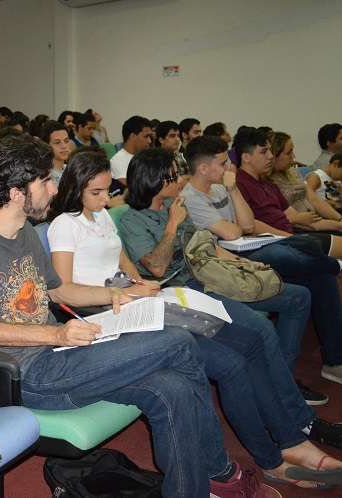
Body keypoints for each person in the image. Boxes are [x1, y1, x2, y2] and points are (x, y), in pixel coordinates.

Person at [0, 133, 277, 498]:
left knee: (174, 388)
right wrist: (55, 335)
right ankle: (222, 473)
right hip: (27, 375)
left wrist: (115, 293)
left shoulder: (23, 231)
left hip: (60, 356)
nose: (54, 191)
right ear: (16, 192)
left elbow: (58, 289)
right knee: (179, 342)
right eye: (44, 182)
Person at [49, 149, 342, 489]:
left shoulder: (99, 217)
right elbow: (63, 290)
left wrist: (138, 283)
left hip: (137, 304)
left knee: (249, 343)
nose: (105, 200)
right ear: (75, 187)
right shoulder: (64, 225)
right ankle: (273, 459)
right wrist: (122, 294)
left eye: (105, 191)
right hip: (109, 317)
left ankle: (291, 439)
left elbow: (123, 264)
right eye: (95, 192)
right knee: (232, 363)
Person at [121, 146, 342, 448]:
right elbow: (157, 268)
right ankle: (301, 419)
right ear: (158, 181)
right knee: (261, 331)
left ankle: (287, 386)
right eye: (174, 177)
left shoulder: (175, 202)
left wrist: (245, 264)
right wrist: (173, 223)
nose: (180, 181)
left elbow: (204, 248)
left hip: (208, 276)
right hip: (183, 292)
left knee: (297, 297)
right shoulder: (135, 219)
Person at [183, 135, 342, 393]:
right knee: (285, 258)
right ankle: (283, 383)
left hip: (245, 251)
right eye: (223, 164)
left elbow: (245, 226)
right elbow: (233, 233)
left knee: (321, 281)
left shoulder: (223, 188)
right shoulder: (191, 197)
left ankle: (333, 361)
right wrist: (235, 227)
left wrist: (233, 190)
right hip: (227, 264)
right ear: (204, 168)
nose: (229, 169)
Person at [234, 128, 342, 259]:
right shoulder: (237, 185)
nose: (270, 156)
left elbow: (299, 218)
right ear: (246, 157)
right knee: (329, 263)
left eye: (269, 150)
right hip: (273, 243)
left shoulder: (269, 185)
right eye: (264, 152)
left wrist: (339, 224)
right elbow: (249, 225)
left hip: (291, 237)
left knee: (328, 270)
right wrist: (290, 238)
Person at [266, 131, 342, 231]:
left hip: (316, 220)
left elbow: (313, 199)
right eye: (289, 152)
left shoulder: (292, 172)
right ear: (274, 156)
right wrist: (338, 225)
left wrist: (339, 219)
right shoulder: (267, 183)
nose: (294, 156)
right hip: (301, 227)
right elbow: (300, 221)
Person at [110, 115, 152, 185]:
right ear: (133, 137)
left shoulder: (147, 157)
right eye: (146, 137)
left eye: (150, 137)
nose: (149, 141)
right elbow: (127, 190)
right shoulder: (118, 161)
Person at [40, 121, 70, 186]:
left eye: (66, 141)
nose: (64, 146)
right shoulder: (44, 174)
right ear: (46, 145)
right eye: (57, 142)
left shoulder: (71, 169)